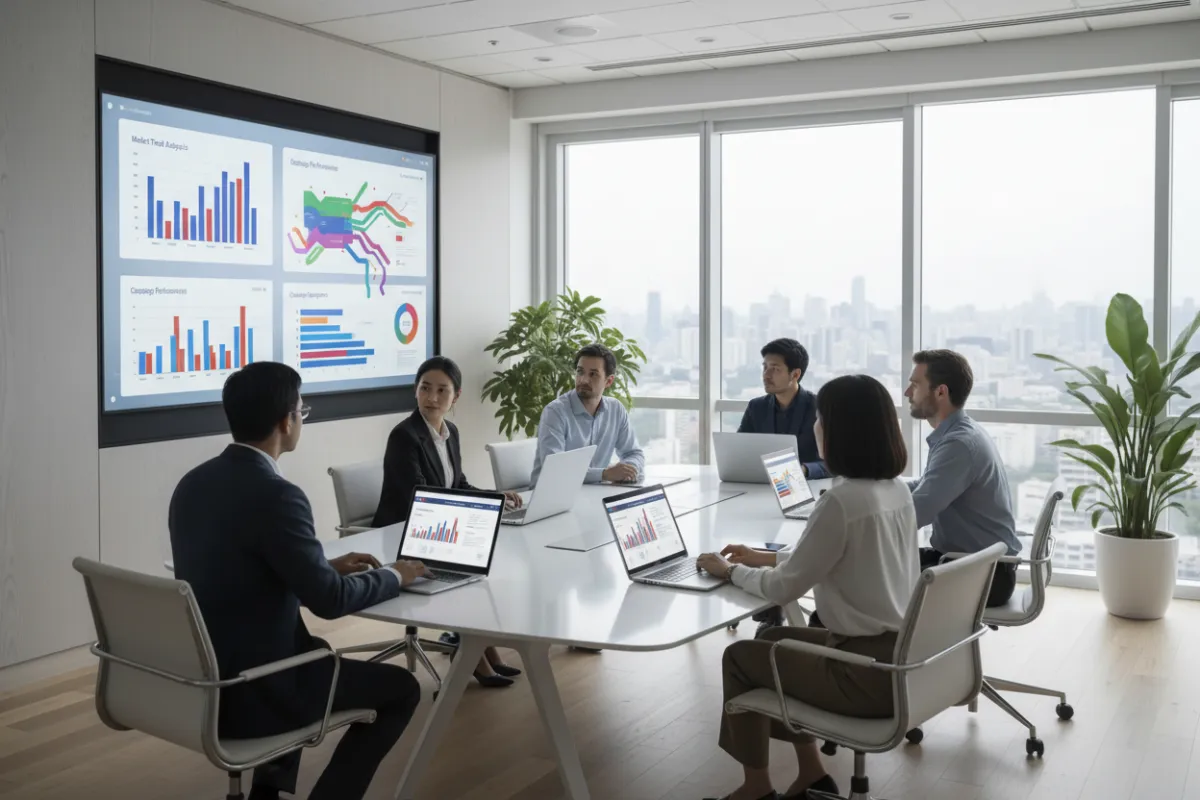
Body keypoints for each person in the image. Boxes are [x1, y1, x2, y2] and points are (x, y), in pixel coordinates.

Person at [169, 362, 427, 800]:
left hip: (204, 681)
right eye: (302, 410)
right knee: (403, 689)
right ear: (287, 421)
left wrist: (323, 563)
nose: (301, 419)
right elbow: (329, 601)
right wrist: (393, 575)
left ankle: (266, 794)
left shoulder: (192, 484)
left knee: (310, 654)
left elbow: (245, 570)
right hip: (259, 690)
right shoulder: (278, 495)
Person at [696, 374, 918, 800]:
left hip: (862, 674)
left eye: (820, 418)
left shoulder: (839, 501)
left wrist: (729, 572)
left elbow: (782, 590)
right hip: (898, 658)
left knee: (741, 657)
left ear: (839, 430)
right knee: (776, 636)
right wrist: (763, 557)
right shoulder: (896, 491)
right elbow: (838, 556)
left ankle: (756, 788)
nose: (815, 427)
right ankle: (812, 773)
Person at [373, 356, 525, 687]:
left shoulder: (450, 432)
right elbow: (419, 494)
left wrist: (495, 498)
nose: (432, 397)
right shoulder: (404, 436)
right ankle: (471, 652)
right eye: (425, 388)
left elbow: (457, 486)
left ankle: (480, 647)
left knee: (481, 565)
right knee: (470, 565)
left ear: (455, 397)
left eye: (443, 390)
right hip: (407, 532)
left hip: (438, 526)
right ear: (415, 391)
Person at [905, 349, 1021, 607]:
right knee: (878, 566)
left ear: (940, 392)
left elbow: (915, 514)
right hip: (969, 563)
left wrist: (862, 520)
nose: (907, 393)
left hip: (983, 576)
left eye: (915, 384)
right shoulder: (958, 433)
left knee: (869, 572)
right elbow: (926, 485)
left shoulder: (958, 444)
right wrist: (881, 487)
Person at [531, 343, 645, 486]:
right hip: (552, 495)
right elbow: (555, 469)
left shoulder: (616, 409)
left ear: (609, 381)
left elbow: (634, 453)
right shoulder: (555, 412)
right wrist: (604, 474)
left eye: (593, 374)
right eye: (580, 372)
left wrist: (629, 469)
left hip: (595, 494)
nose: (583, 380)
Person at [737, 338, 829, 480]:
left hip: (807, 488)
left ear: (795, 375)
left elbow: (836, 464)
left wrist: (804, 470)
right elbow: (739, 451)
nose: (766, 375)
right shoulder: (756, 407)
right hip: (761, 486)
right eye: (765, 367)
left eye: (775, 369)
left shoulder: (820, 408)